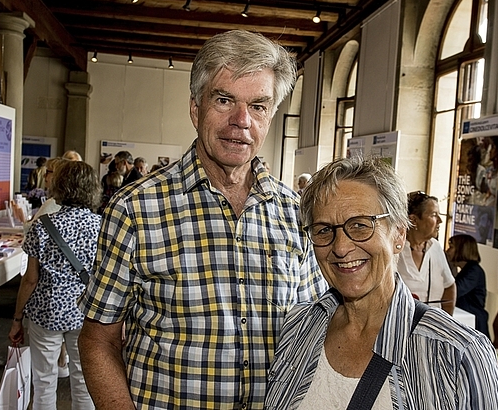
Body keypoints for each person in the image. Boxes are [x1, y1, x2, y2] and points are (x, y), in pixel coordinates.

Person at [78, 30, 327, 409]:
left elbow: (312, 332)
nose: (242, 121)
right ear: (196, 109)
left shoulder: (295, 213)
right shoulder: (135, 209)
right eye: (224, 100)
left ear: (271, 115)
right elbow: (98, 340)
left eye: (259, 106)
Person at [265, 157, 498, 409]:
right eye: (324, 230)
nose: (340, 247)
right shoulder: (300, 327)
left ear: (399, 234)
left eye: (360, 225)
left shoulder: (459, 354)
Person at [8, 161, 102, 410]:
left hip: (45, 312)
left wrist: (17, 318)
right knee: (84, 380)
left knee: (44, 380)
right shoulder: (101, 227)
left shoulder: (43, 225)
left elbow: (30, 279)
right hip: (84, 313)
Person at [396, 191, 456, 314]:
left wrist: (446, 321)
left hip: (432, 326)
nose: (440, 220)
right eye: (433, 215)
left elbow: (450, 286)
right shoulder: (395, 248)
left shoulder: (435, 247)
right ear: (413, 220)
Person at [447, 234, 490, 338]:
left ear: (461, 249)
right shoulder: (467, 270)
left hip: (474, 323)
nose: (448, 251)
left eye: (451, 247)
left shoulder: (473, 271)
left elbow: (455, 291)